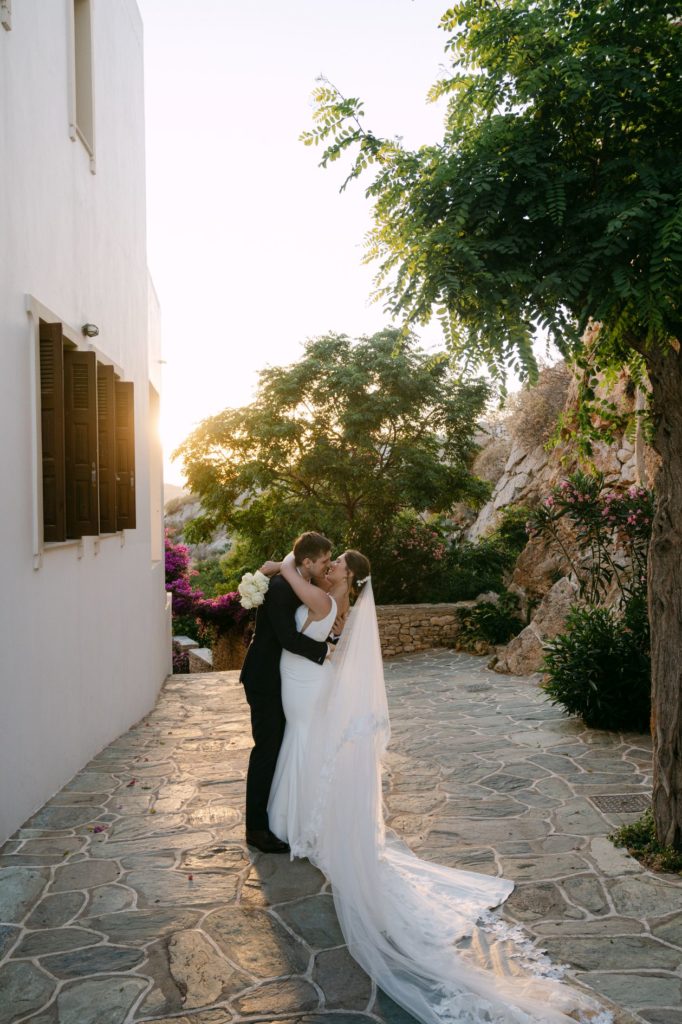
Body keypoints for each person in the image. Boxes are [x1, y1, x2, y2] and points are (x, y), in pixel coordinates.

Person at [257, 551, 613, 1024]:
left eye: (337, 561)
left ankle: (299, 820)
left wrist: (283, 567)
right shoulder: (335, 597)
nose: (332, 563)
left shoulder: (328, 597)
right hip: (309, 680)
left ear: (349, 574)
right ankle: (303, 817)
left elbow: (307, 618)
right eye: (331, 559)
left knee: (306, 744)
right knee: (310, 748)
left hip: (306, 680)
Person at [239, 531, 333, 854]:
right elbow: (288, 639)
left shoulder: (296, 576)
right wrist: (324, 651)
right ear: (307, 562)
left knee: (277, 746)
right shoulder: (281, 588)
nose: (328, 565)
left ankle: (274, 815)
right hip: (263, 678)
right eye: (324, 561)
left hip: (278, 678)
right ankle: (256, 829)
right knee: (266, 749)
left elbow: (291, 561)